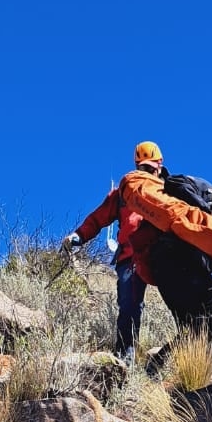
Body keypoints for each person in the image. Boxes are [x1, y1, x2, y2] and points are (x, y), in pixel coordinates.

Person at [118, 168, 212, 340]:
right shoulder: (206, 191)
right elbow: (174, 183)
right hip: (169, 258)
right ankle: (165, 360)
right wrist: (208, 212)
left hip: (178, 271)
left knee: (196, 330)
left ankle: (159, 364)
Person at [61, 140, 164, 359]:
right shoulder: (122, 193)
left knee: (181, 304)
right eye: (141, 168)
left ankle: (188, 355)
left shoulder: (169, 190)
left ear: (159, 165)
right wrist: (78, 236)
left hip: (162, 254)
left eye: (149, 167)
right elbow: (98, 218)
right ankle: (125, 361)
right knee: (128, 307)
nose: (145, 172)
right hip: (130, 257)